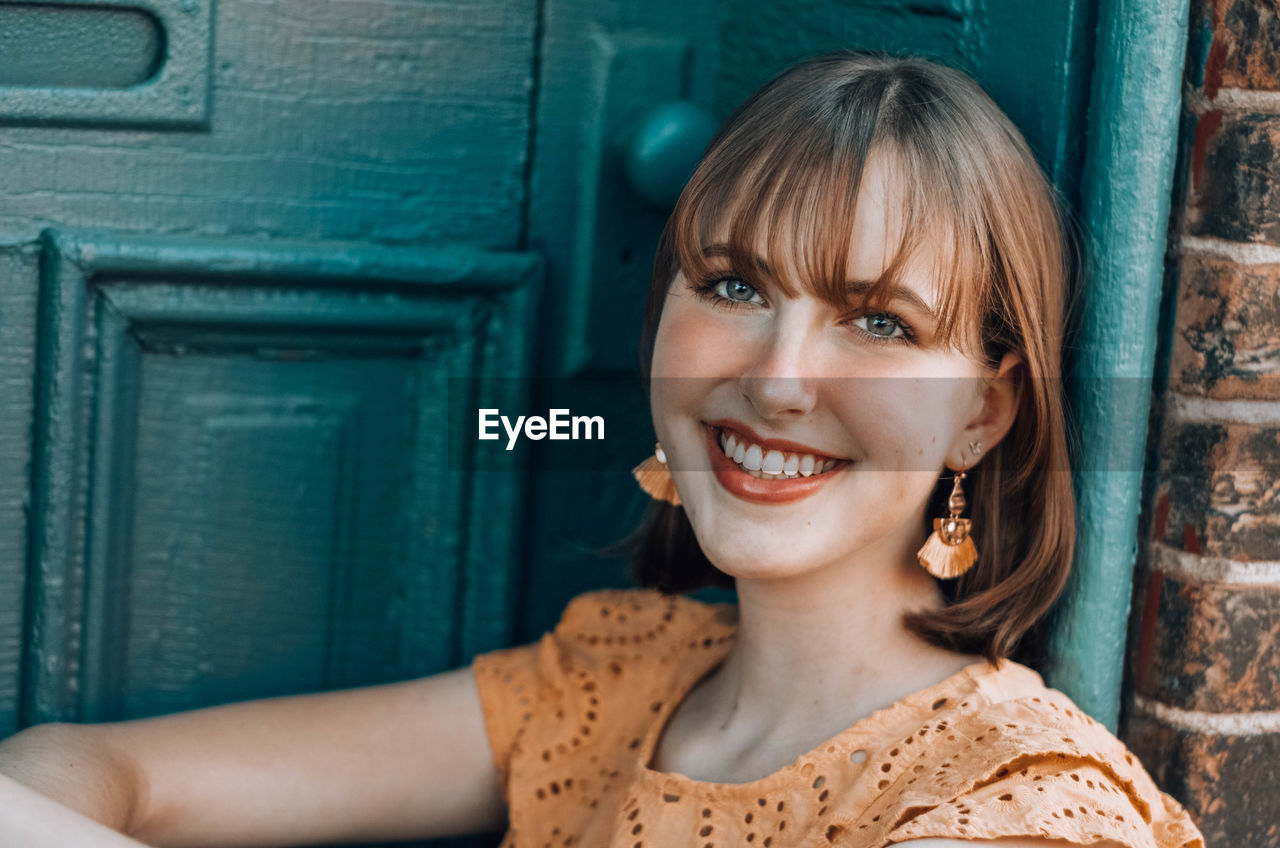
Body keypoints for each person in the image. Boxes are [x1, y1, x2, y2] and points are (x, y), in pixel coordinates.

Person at [0, 51, 1204, 848]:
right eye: (732, 284)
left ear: (985, 413)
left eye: (876, 321)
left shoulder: (1013, 807)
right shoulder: (618, 678)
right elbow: (85, 770)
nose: (776, 378)